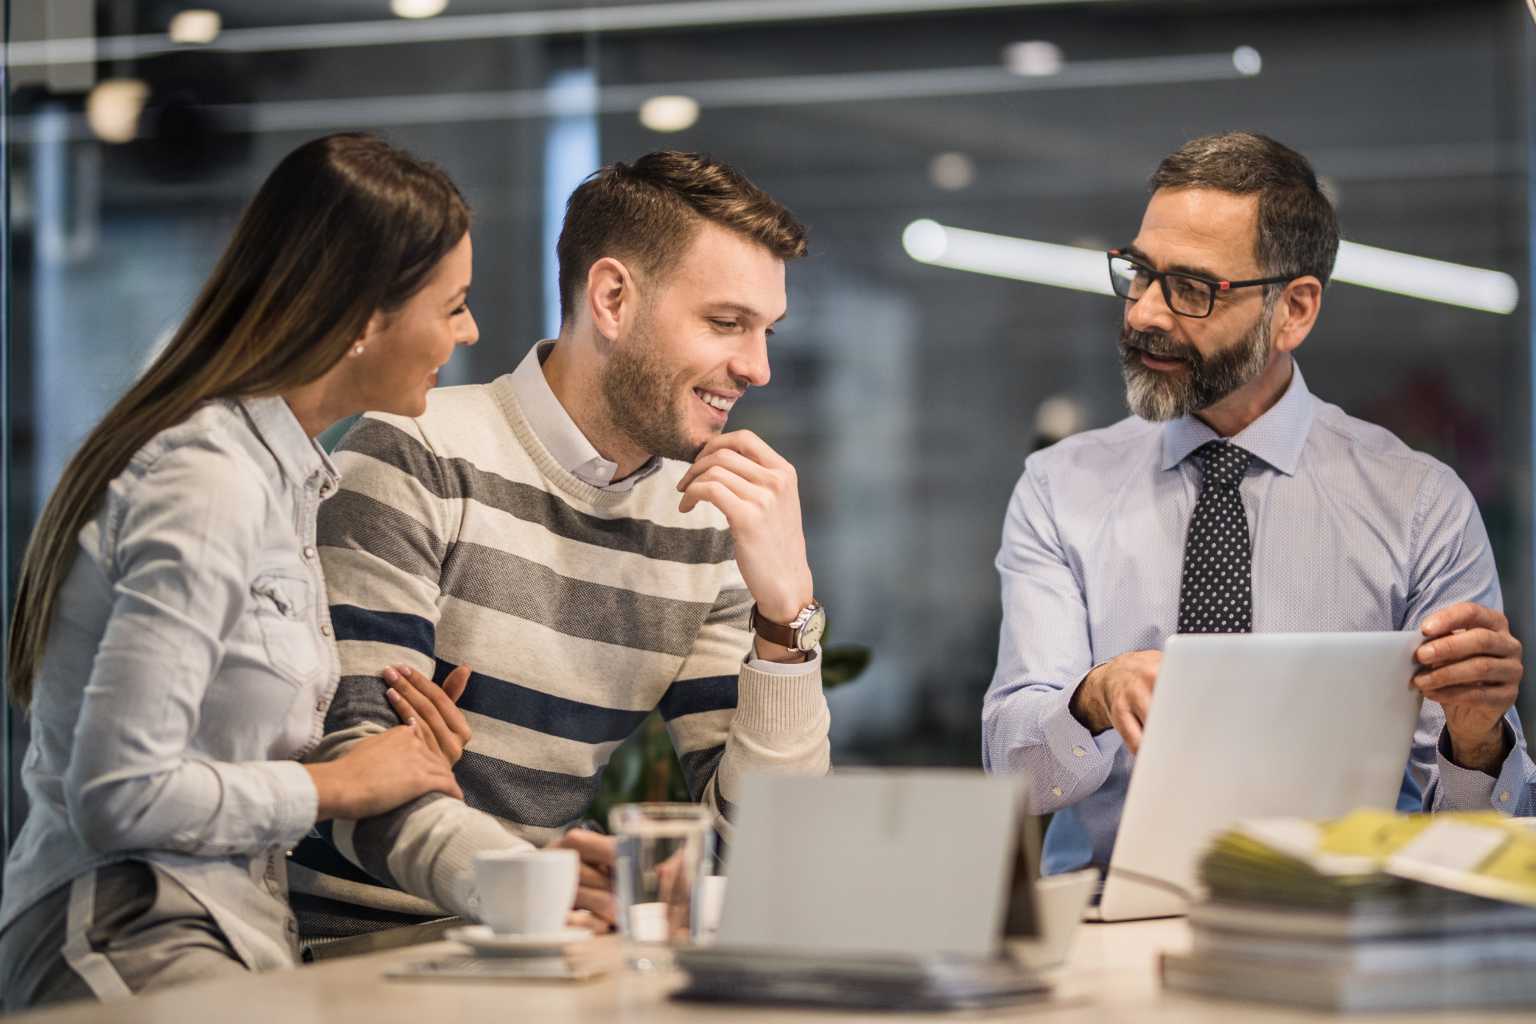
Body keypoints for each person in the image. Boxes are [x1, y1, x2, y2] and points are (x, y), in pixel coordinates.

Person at [290, 151, 831, 937]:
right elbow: (355, 775)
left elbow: (772, 847)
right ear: (612, 298)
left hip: (545, 955)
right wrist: (532, 889)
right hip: (366, 961)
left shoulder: (707, 519)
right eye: (726, 323)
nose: (757, 367)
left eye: (766, 331)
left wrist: (787, 617)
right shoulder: (416, 452)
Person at [0, 132, 483, 1009]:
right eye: (453, 306)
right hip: (126, 931)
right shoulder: (208, 479)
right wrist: (340, 785)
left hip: (220, 933)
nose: (469, 329)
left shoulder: (275, 468)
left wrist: (381, 760)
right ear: (369, 316)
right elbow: (118, 796)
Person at [982, 131, 1535, 877]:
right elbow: (1014, 778)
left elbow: (1469, 841)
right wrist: (1091, 697)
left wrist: (1476, 740)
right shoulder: (1060, 489)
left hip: (1341, 921)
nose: (1145, 312)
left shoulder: (1418, 506)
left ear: (1295, 310)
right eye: (1140, 273)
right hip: (1104, 929)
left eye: (1190, 289)